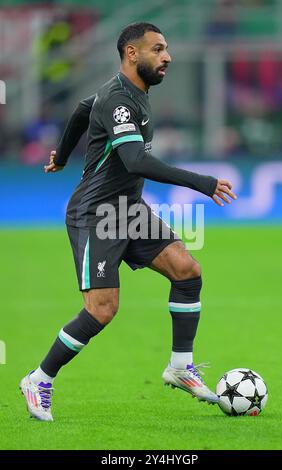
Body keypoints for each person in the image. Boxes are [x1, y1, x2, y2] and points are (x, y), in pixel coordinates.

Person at [20, 22, 237, 422]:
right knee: (102, 310)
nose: (166, 56)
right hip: (96, 213)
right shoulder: (119, 100)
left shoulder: (128, 93)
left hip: (129, 211)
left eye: (166, 48)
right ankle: (39, 378)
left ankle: (179, 366)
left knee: (187, 271)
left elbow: (82, 109)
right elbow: (135, 161)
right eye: (157, 49)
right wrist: (203, 183)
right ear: (132, 54)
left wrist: (64, 155)